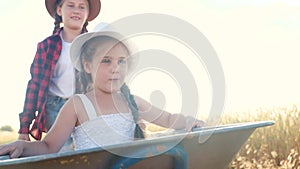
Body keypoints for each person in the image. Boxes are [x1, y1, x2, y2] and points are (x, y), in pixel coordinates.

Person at [0, 25, 204, 158]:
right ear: (87, 66)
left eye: (121, 61)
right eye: (106, 61)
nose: (115, 68)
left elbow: (168, 119)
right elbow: (49, 146)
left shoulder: (132, 102)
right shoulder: (77, 105)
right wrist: (23, 146)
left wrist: (188, 121)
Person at [18, 0, 101, 149]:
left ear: (87, 14)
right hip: (54, 108)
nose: (76, 10)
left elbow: (108, 79)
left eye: (82, 7)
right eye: (70, 5)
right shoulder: (47, 46)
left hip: (85, 106)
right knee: (62, 151)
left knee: (89, 149)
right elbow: (34, 85)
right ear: (59, 10)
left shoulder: (93, 45)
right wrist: (25, 126)